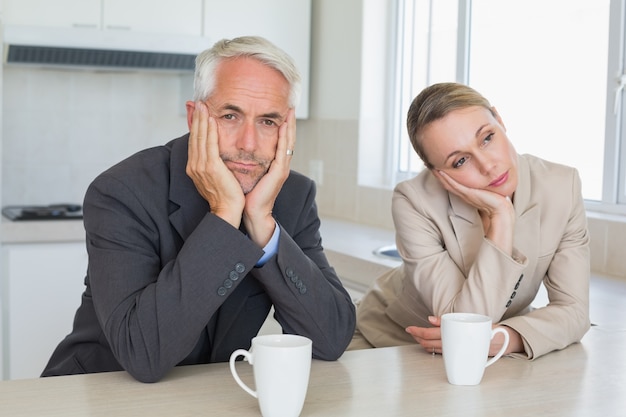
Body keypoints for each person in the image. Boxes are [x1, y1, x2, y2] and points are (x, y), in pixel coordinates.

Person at [41, 36, 356, 383]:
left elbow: (331, 339)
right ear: (195, 118)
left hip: (205, 396)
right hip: (94, 392)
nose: (248, 144)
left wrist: (262, 224)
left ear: (288, 130)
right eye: (230, 115)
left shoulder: (292, 196)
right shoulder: (121, 191)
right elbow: (142, 354)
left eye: (268, 121)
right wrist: (225, 213)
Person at [351, 82, 590, 360]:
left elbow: (575, 311)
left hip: (489, 352)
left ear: (499, 120)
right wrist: (500, 219)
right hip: (388, 344)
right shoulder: (414, 200)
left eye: (487, 138)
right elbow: (462, 326)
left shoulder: (562, 186)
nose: (488, 166)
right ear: (437, 172)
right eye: (460, 161)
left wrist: (504, 337)